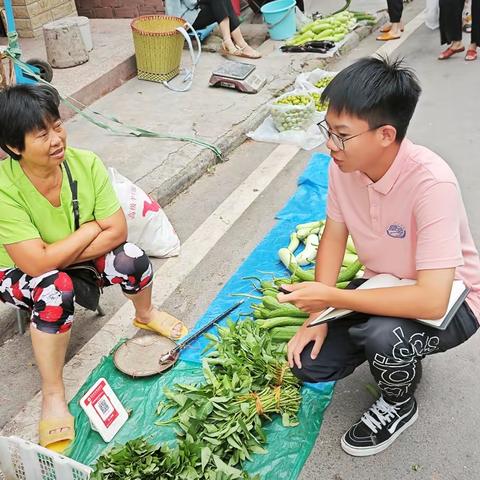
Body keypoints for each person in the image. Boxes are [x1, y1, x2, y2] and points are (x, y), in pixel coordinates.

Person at [278, 56, 480, 457]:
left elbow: (431, 299)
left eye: (341, 134)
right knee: (310, 363)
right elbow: (334, 235)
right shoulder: (342, 168)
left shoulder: (432, 184)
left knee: (385, 337)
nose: (329, 145)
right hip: (385, 285)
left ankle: (399, 403)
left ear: (386, 134)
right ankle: (399, 352)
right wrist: (317, 315)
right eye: (328, 131)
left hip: (456, 300)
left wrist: (333, 298)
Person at [0, 84, 188, 453]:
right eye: (42, 134)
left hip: (67, 256)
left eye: (57, 126)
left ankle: (145, 313)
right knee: (54, 288)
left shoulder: (85, 163)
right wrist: (88, 230)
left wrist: (59, 252)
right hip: (15, 272)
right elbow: (33, 264)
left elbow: (117, 231)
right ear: (14, 147)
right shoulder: (5, 187)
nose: (56, 139)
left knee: (131, 256)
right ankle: (53, 393)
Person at [165, 0, 262, 59]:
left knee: (223, 3)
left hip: (196, 10)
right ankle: (239, 44)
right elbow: (188, 3)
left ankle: (234, 42)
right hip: (185, 21)